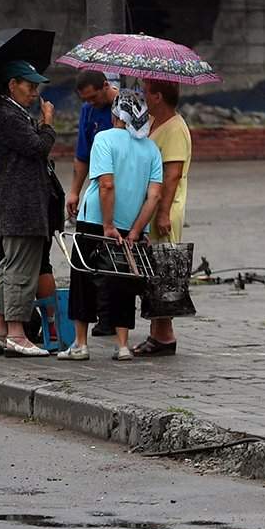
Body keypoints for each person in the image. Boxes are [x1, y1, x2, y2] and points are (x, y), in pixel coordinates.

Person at [62, 89, 163, 361]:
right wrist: (134, 230)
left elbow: (106, 184)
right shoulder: (152, 149)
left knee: (83, 279)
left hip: (96, 221)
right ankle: (122, 345)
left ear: (116, 114)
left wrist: (108, 225)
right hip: (130, 226)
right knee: (123, 283)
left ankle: (81, 345)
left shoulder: (104, 139)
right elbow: (154, 196)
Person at [0, 60, 56, 358]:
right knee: (20, 269)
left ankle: (0, 332)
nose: (34, 92)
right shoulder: (7, 115)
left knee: (9, 266)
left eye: (36, 86)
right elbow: (38, 148)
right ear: (13, 85)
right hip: (21, 205)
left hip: (17, 204)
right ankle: (16, 333)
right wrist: (48, 123)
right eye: (30, 86)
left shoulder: (13, 114)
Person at [0, 147, 62, 355]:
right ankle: (51, 324)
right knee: (41, 265)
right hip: (33, 212)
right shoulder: (16, 147)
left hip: (7, 216)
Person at [136, 79, 193, 357]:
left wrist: (162, 213)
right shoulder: (153, 122)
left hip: (166, 208)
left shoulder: (174, 129)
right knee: (153, 270)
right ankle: (156, 332)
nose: (142, 96)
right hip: (153, 204)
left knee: (164, 268)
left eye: (146, 91)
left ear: (158, 96)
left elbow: (172, 175)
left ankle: (164, 335)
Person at [65, 70, 118, 223]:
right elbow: (82, 156)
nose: (91, 102)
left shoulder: (126, 108)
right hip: (100, 184)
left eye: (93, 97)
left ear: (106, 85)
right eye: (86, 99)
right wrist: (75, 192)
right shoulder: (87, 110)